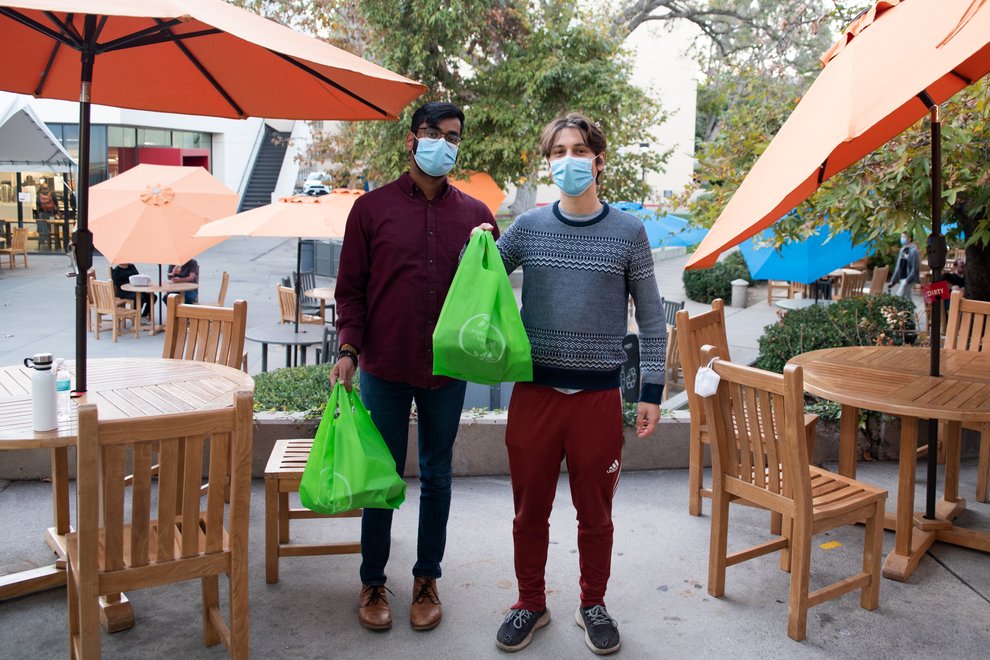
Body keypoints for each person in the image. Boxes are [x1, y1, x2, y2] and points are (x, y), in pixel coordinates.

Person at [485, 113, 666, 655]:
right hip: (534, 395)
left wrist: (651, 392)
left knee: (597, 514)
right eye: (558, 152)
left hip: (597, 400)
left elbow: (653, 320)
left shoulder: (629, 232)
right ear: (549, 163)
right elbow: (482, 277)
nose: (568, 160)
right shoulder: (530, 227)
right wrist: (477, 242)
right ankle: (529, 602)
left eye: (579, 150)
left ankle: (593, 603)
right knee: (528, 510)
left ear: (599, 160)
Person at [331, 101, 496, 632]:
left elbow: (487, 295)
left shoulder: (476, 217)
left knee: (438, 473)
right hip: (384, 363)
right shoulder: (370, 209)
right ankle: (373, 579)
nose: (443, 144)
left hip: (447, 370)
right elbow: (350, 291)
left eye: (453, 137)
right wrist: (348, 350)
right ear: (411, 139)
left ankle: (427, 577)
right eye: (434, 133)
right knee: (381, 476)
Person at [889, 231, 920, 303]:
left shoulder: (913, 251)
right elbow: (898, 266)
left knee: (898, 298)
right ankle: (912, 313)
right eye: (901, 237)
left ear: (909, 238)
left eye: (904, 237)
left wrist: (907, 280)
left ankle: (895, 312)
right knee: (908, 299)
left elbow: (914, 268)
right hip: (902, 277)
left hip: (908, 279)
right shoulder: (902, 250)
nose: (902, 239)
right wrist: (893, 280)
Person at [35, 181, 59, 250]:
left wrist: (38, 215)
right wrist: (58, 213)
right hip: (51, 213)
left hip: (42, 214)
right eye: (45, 188)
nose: (45, 190)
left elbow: (38, 206)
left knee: (44, 227)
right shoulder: (52, 194)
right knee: (52, 227)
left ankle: (45, 239)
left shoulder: (39, 196)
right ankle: (51, 240)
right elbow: (56, 204)